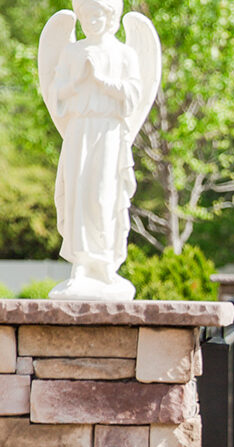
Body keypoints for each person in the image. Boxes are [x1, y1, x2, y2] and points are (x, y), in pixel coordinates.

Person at [39, 0, 159, 300]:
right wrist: (78, 81)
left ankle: (104, 264)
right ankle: (81, 264)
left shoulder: (124, 53)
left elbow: (133, 96)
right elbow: (55, 94)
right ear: (80, 16)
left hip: (109, 132)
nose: (93, 20)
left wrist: (103, 83)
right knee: (79, 195)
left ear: (111, 16)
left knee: (103, 196)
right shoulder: (72, 52)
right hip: (79, 131)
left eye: (99, 14)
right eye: (88, 14)